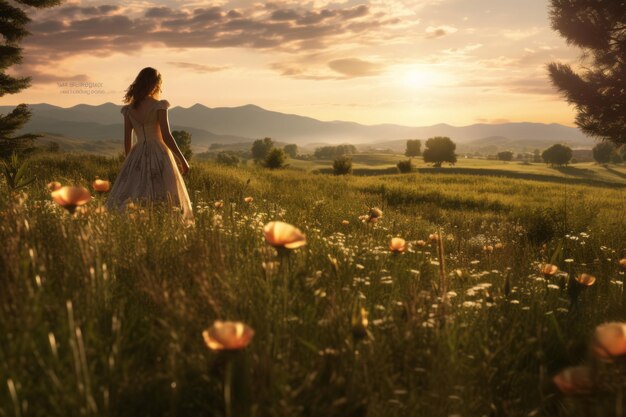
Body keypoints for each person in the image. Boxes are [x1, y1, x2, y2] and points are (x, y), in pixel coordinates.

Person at [106, 67, 193, 222]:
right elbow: (166, 135)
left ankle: (136, 221)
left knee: (135, 191)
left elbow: (127, 139)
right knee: (164, 191)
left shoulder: (129, 109)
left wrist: (129, 162)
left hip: (137, 152)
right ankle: (161, 222)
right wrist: (182, 160)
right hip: (159, 152)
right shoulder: (159, 105)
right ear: (155, 84)